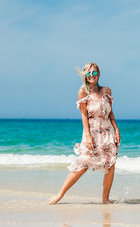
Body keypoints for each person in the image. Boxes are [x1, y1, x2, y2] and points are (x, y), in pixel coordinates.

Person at [48, 62, 121, 204]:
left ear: (98, 74)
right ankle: (60, 195)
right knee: (83, 165)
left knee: (110, 166)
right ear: (85, 75)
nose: (92, 75)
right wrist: (87, 135)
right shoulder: (83, 91)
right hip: (92, 132)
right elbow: (83, 115)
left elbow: (110, 112)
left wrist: (116, 130)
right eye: (89, 73)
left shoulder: (107, 90)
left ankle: (105, 199)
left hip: (107, 132)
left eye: (94, 73)